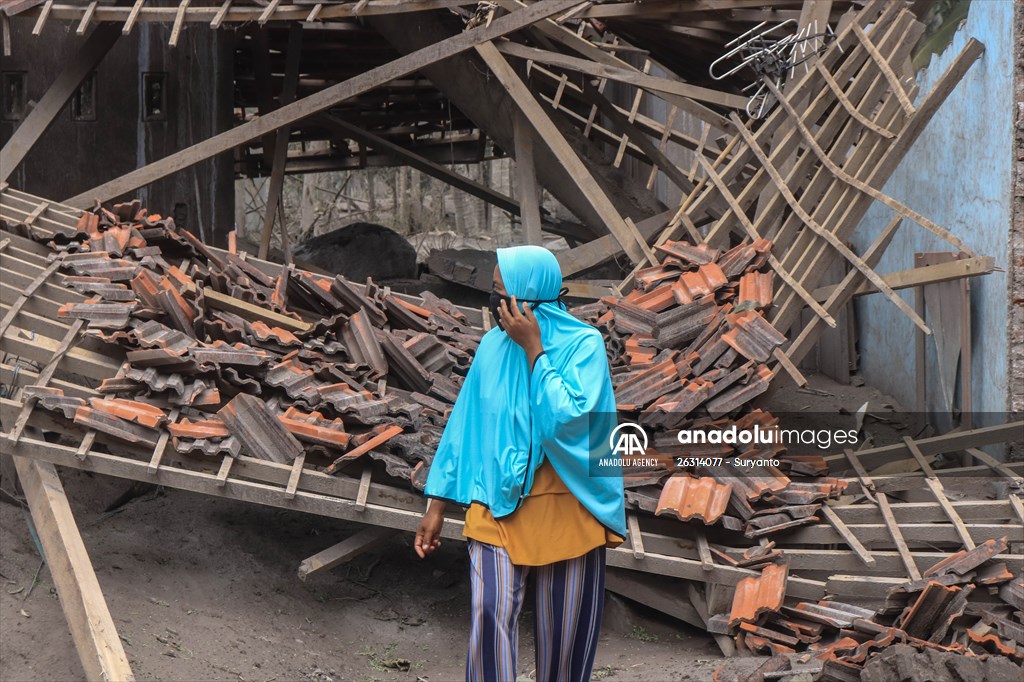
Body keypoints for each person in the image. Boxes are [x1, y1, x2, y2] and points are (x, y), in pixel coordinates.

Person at [414, 245, 626, 682]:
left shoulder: (585, 346)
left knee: (564, 644)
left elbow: (569, 424)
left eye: (501, 291)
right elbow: (466, 425)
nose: (495, 303)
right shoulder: (492, 346)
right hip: (496, 504)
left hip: (570, 510)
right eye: (493, 291)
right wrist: (436, 505)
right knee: (489, 614)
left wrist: (535, 351)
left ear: (532, 296)